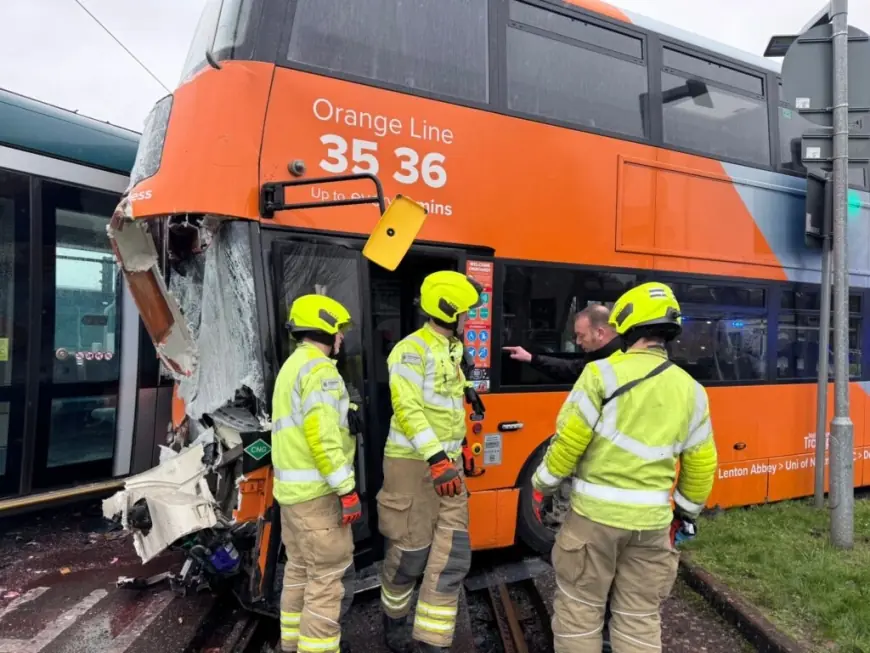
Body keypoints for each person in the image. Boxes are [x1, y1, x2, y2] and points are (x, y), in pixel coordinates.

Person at [531, 282, 718, 653]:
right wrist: (685, 513)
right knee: (639, 618)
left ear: (628, 328)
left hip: (593, 521)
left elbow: (568, 443)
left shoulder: (600, 375)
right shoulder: (692, 390)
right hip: (652, 525)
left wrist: (542, 487)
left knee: (580, 612)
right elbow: (701, 463)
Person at [377, 270, 483, 653]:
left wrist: (468, 391)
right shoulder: (410, 350)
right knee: (411, 554)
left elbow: (446, 386)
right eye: (466, 312)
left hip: (448, 463)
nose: (470, 319)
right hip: (412, 465)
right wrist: (437, 459)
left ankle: (432, 640)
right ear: (448, 309)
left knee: (453, 553)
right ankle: (394, 621)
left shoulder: (453, 348)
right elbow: (407, 408)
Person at [271, 294, 363, 653]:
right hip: (318, 498)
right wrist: (347, 490)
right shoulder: (321, 371)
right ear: (325, 328)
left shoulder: (292, 367)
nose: (341, 338)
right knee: (327, 583)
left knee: (298, 574)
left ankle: (291, 646)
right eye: (338, 330)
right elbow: (322, 438)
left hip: (293, 498)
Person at [503, 304, 621, 384]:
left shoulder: (621, 361)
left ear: (600, 333)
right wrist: (531, 358)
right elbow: (572, 369)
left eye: (582, 335)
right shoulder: (600, 357)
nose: (578, 342)